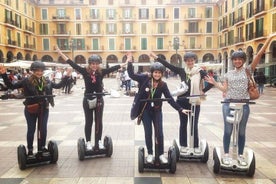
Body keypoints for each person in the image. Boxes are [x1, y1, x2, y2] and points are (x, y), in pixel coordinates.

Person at [205, 33, 276, 166]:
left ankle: (241, 155)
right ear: (232, 61)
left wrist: (269, 38)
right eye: (235, 59)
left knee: (241, 131)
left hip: (243, 104)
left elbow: (259, 54)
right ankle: (226, 154)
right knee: (228, 130)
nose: (237, 61)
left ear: (243, 60)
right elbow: (225, 90)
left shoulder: (248, 70)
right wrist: (214, 83)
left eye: (239, 59)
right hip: (228, 104)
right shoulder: (228, 74)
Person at [55, 46, 127, 150]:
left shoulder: (101, 72)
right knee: (89, 121)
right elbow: (71, 63)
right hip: (87, 99)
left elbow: (114, 67)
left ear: (99, 64)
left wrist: (127, 61)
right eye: (93, 64)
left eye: (96, 64)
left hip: (99, 100)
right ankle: (88, 142)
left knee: (99, 121)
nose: (95, 65)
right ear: (90, 64)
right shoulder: (84, 71)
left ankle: (99, 141)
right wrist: (60, 53)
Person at [126, 53, 189, 164]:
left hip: (157, 111)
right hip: (145, 111)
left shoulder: (163, 85)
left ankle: (160, 154)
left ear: (162, 74)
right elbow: (131, 75)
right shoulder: (144, 79)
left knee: (159, 133)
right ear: (152, 72)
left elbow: (169, 99)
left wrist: (180, 109)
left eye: (159, 73)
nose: (157, 75)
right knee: (148, 132)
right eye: (155, 72)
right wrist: (130, 61)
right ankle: (150, 153)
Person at [149, 52, 213, 154]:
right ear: (185, 62)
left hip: (195, 101)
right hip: (182, 101)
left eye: (191, 60)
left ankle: (195, 145)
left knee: (194, 124)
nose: (190, 62)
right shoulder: (182, 71)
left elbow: (211, 82)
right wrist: (156, 57)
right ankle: (183, 145)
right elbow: (168, 65)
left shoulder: (200, 72)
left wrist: (203, 91)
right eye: (188, 61)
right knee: (183, 124)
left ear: (194, 61)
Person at [0, 62, 69, 156]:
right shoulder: (26, 81)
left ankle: (42, 148)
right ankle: (30, 149)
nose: (39, 73)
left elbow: (58, 86)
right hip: (31, 109)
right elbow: (11, 86)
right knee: (31, 129)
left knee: (43, 129)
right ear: (33, 71)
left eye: (41, 71)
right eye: (37, 71)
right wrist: (4, 74)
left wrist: (66, 76)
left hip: (44, 108)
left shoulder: (47, 81)